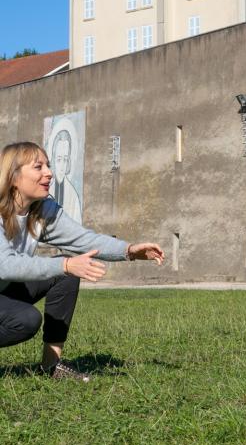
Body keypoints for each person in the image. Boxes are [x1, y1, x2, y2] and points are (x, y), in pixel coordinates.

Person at [0, 141, 164, 381]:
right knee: (26, 319)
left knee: (64, 274)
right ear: (14, 177)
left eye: (48, 165)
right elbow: (5, 264)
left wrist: (128, 250)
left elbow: (83, 240)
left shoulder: (42, 210)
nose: (49, 172)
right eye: (38, 167)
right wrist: (64, 265)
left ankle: (51, 366)